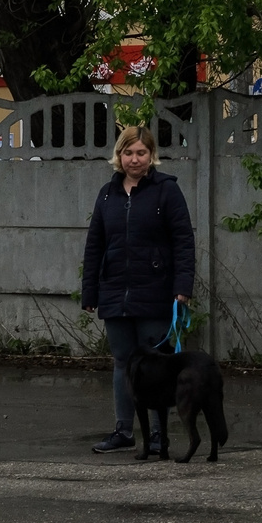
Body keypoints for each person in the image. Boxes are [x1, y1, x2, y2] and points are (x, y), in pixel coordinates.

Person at [81, 123, 197, 455]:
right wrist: (90, 292)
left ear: (152, 156)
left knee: (157, 364)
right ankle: (124, 430)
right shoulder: (107, 193)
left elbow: (183, 243)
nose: (135, 159)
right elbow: (95, 245)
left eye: (141, 153)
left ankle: (158, 434)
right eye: (129, 152)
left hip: (156, 293)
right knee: (122, 362)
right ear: (119, 156)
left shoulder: (167, 191)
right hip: (115, 292)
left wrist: (182, 287)